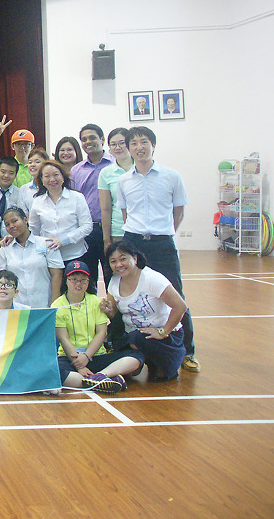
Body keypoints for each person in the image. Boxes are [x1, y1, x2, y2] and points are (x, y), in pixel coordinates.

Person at [116, 126, 198, 372]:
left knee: (176, 294)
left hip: (162, 243)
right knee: (125, 291)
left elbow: (178, 211)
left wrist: (163, 232)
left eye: (144, 142)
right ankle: (122, 347)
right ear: (129, 149)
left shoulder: (172, 176)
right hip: (134, 242)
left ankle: (188, 351)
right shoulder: (123, 180)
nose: (139, 147)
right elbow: (125, 212)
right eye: (134, 143)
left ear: (153, 145)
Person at [100, 241, 188, 381]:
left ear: (135, 258)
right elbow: (114, 314)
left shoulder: (152, 279)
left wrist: (163, 332)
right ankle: (138, 361)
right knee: (129, 349)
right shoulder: (114, 281)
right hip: (133, 336)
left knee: (159, 375)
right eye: (113, 261)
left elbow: (180, 306)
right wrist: (108, 311)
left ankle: (153, 360)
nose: (119, 265)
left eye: (123, 259)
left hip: (164, 337)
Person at [53, 261, 143, 394]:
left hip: (95, 355)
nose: (78, 284)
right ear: (66, 281)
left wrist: (86, 356)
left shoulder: (96, 302)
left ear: (89, 281)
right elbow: (63, 338)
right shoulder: (57, 305)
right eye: (74, 280)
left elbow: (101, 333)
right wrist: (79, 364)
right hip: (69, 357)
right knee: (54, 372)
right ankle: (103, 380)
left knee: (136, 356)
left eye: (83, 280)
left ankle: (101, 376)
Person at [28, 159, 92, 281]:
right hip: (49, 256)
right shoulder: (37, 201)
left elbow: (87, 226)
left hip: (75, 255)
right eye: (47, 176)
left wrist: (63, 240)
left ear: (63, 177)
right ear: (41, 180)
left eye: (56, 175)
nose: (52, 179)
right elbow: (33, 230)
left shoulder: (77, 197)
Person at [70, 124, 113, 291]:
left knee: (113, 276)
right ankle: (90, 308)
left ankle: (115, 308)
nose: (88, 142)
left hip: (110, 229)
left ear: (102, 140)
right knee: (87, 277)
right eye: (84, 139)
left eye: (92, 138)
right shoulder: (76, 170)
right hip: (86, 231)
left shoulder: (114, 165)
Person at [0, 207, 64, 308]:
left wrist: (54, 305)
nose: (11, 226)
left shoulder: (46, 244)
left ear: (25, 219)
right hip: (17, 307)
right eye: (7, 224)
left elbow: (57, 275)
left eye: (15, 221)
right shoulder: (4, 250)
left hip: (44, 304)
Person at [97, 127, 133, 260]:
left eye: (122, 143)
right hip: (118, 231)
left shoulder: (141, 169)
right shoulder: (106, 173)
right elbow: (106, 209)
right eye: (113, 144)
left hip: (140, 231)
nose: (118, 147)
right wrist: (107, 239)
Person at [0, 115, 36, 188]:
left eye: (26, 144)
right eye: (18, 144)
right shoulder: (6, 164)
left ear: (32, 146)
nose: (22, 147)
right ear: (12, 146)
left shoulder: (36, 166)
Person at [19, 147, 50, 214]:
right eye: (30, 162)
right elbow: (23, 214)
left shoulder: (51, 187)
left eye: (37, 162)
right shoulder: (23, 189)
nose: (32, 165)